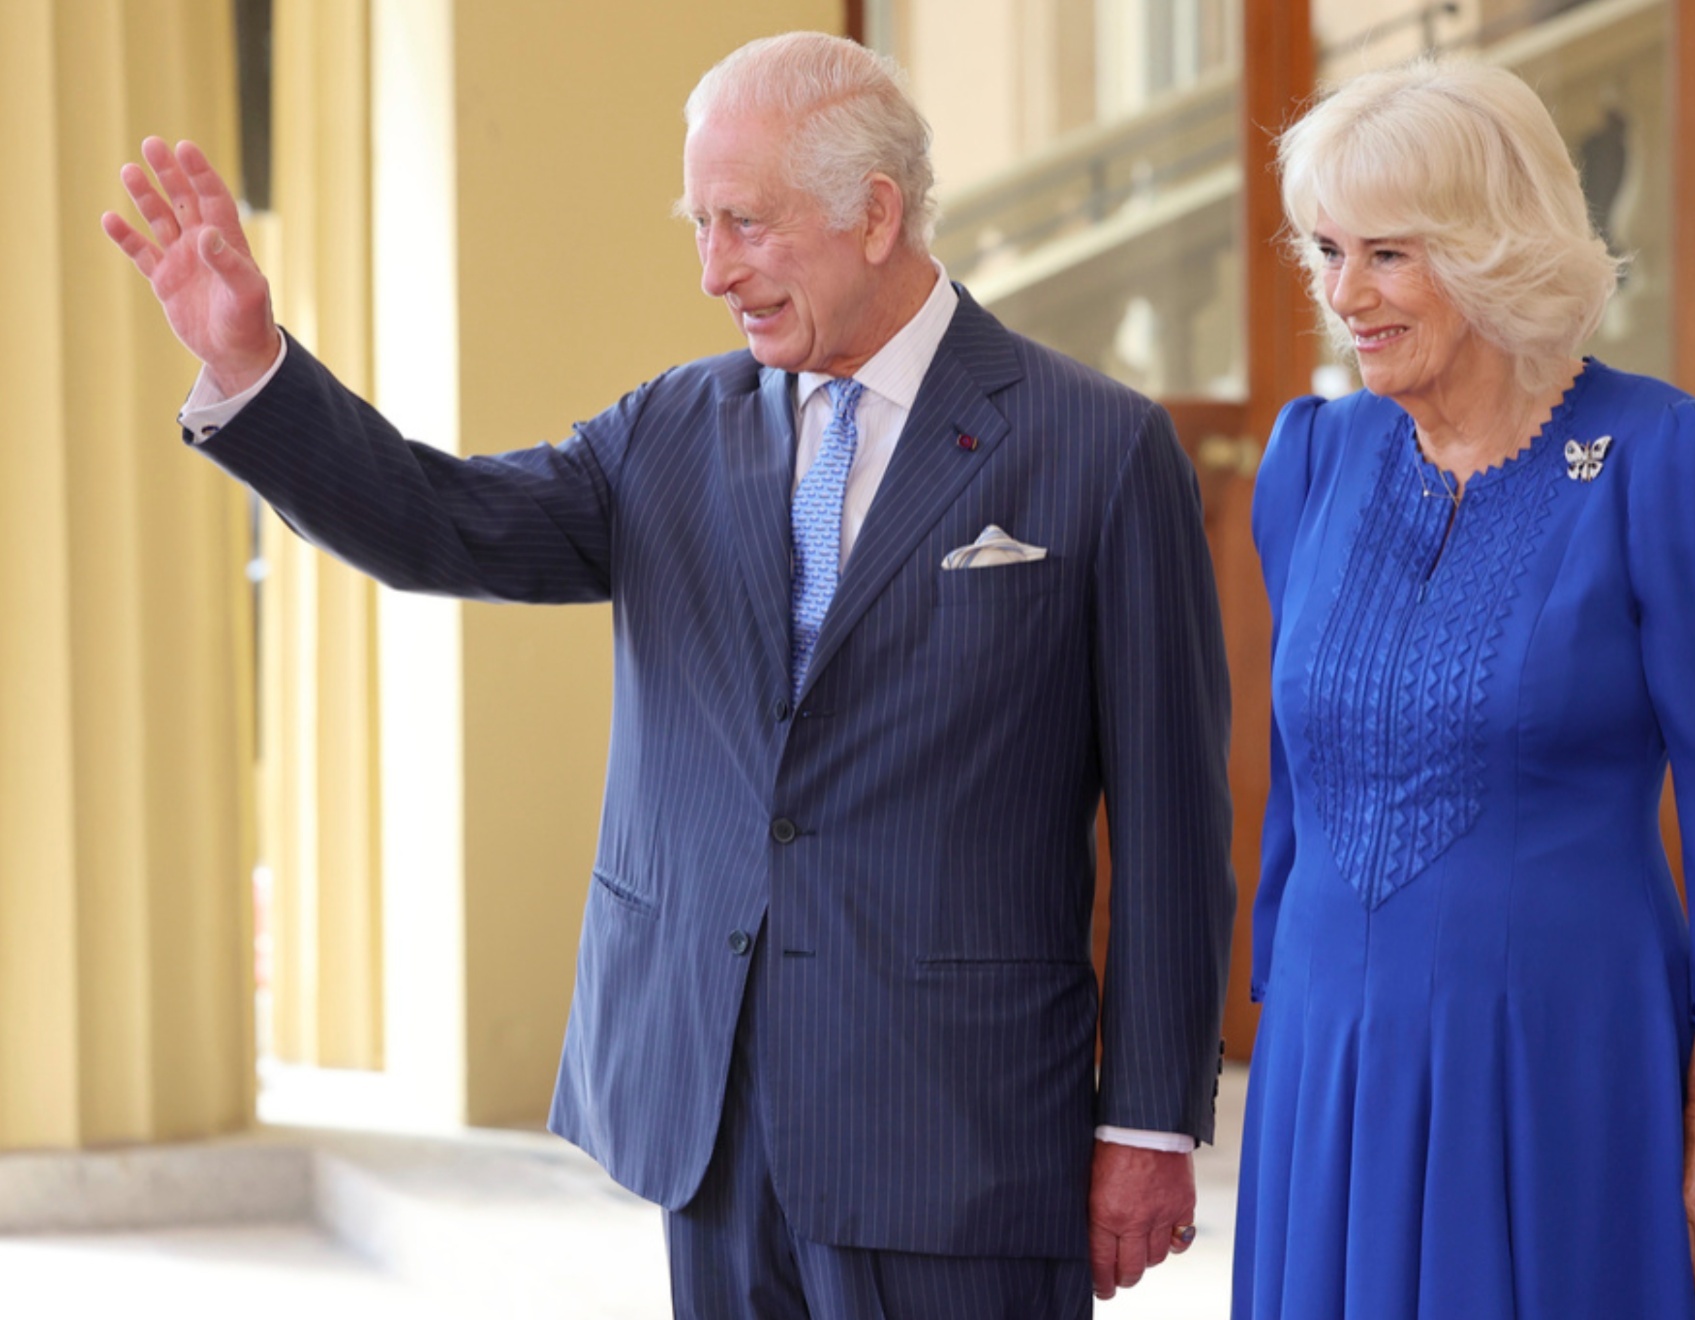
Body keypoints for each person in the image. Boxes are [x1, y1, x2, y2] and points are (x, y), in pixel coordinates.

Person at [102, 32, 1234, 1319]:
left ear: (874, 215)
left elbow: (1170, 823)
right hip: (712, 1115)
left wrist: (1146, 1122)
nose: (712, 271)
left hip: (958, 1135)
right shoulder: (667, 432)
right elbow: (440, 521)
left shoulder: (1098, 447)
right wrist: (256, 370)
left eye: (743, 223)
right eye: (698, 223)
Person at [1235, 56, 1695, 1320]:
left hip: (1563, 1056)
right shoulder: (1311, 458)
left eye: (1388, 255)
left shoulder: (1668, 458)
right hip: (1332, 1053)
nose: (1342, 296)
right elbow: (1300, 774)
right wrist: (1282, 999)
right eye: (1326, 250)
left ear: (1495, 249)